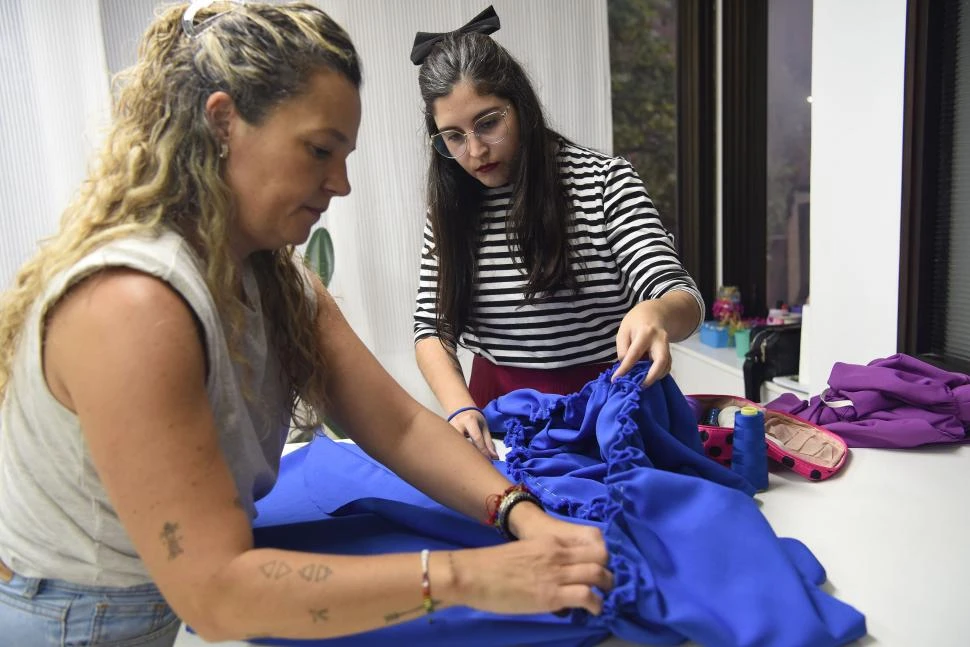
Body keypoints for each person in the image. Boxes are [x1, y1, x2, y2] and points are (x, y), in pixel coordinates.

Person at [0, 3, 611, 645]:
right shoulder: (132, 303)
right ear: (223, 123)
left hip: (146, 601)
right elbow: (216, 595)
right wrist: (473, 577)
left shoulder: (276, 276)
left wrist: (519, 512)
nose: (341, 184)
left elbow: (397, 425)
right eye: (320, 150)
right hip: (70, 619)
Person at [411, 6, 705, 458]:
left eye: (489, 123)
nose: (474, 150)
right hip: (501, 413)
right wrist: (458, 410)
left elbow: (678, 293)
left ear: (521, 106)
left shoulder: (604, 183)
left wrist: (657, 313)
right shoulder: (450, 209)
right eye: (452, 136)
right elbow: (431, 328)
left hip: (607, 409)